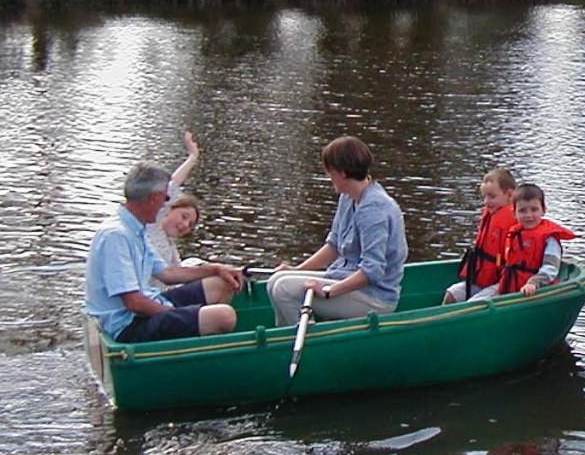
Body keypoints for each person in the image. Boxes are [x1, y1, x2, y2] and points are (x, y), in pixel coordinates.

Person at [85, 162, 244, 343]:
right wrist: (177, 314)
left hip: (146, 308)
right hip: (127, 327)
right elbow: (134, 303)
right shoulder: (117, 236)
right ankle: (192, 354)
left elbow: (168, 273)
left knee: (221, 283)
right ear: (153, 198)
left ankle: (192, 346)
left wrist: (216, 269)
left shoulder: (137, 230)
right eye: (165, 198)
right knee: (224, 316)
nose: (165, 204)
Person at [267, 136, 408, 324]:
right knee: (276, 280)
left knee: (284, 289)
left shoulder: (374, 210)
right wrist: (296, 269)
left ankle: (308, 343)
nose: (328, 176)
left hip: (375, 297)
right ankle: (284, 338)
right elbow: (334, 247)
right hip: (344, 277)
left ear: (341, 172)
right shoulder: (348, 197)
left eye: (329, 171)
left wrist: (328, 292)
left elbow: (372, 272)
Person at [443, 167, 516, 304]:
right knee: (451, 294)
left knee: (473, 306)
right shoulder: (490, 214)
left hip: (504, 283)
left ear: (509, 195)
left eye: (492, 196)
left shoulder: (516, 219)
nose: (486, 202)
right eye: (485, 196)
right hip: (484, 278)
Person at [497, 183, 575, 297]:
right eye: (522, 211)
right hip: (510, 287)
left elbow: (551, 268)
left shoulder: (549, 239)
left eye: (534, 209)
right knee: (478, 299)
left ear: (543, 210)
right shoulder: (514, 233)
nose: (529, 215)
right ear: (514, 213)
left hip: (535, 291)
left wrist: (534, 283)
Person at [145, 130, 201, 278]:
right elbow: (172, 186)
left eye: (190, 225)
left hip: (167, 295)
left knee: (198, 264)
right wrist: (192, 157)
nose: (185, 225)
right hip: (149, 297)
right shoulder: (151, 226)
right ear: (169, 209)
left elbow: (179, 274)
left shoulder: (171, 250)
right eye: (184, 217)